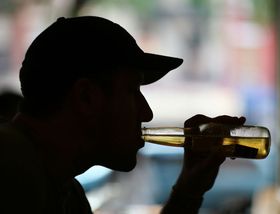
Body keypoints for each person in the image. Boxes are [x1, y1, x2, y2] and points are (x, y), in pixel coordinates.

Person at [0, 16, 245, 213]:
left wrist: (189, 191)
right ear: (86, 97)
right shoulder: (13, 177)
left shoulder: (63, 189)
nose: (146, 113)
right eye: (131, 90)